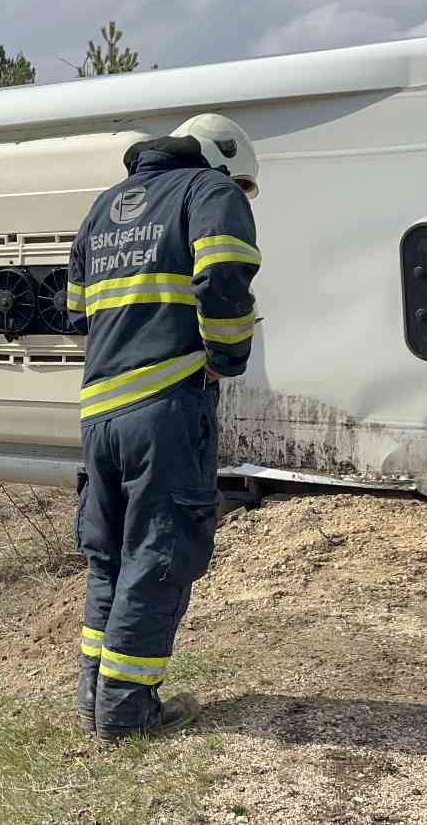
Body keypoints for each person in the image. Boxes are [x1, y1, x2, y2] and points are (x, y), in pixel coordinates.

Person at [67, 113, 262, 742]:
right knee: (158, 553)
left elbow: (76, 316)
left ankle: (95, 696)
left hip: (98, 414)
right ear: (223, 158)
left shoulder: (101, 209)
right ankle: (127, 713)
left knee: (110, 558)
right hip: (165, 406)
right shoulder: (209, 191)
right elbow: (225, 272)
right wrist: (225, 358)